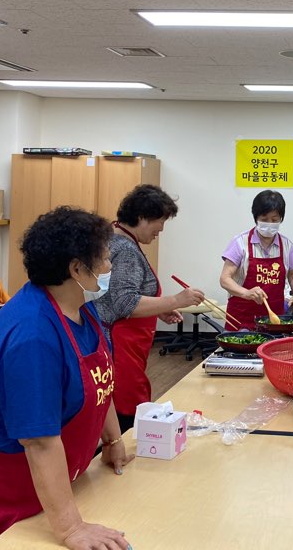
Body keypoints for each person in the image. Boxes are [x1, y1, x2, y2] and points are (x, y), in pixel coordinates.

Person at [0, 207, 133, 550]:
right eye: (105, 258)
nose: (110, 266)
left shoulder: (82, 308)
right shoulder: (32, 335)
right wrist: (71, 529)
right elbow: (38, 441)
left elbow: (100, 384)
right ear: (77, 268)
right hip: (7, 482)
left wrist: (112, 441)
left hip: (57, 480)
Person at [94, 185, 205, 433]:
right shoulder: (125, 249)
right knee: (125, 413)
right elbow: (125, 303)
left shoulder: (116, 239)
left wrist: (157, 308)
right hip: (120, 347)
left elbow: (119, 296)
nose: (161, 229)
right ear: (142, 217)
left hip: (122, 342)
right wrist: (176, 300)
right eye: (160, 221)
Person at [220, 190, 293, 330]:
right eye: (264, 219)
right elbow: (224, 279)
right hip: (241, 320)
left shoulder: (287, 245)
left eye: (274, 220)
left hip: (274, 322)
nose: (269, 224)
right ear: (256, 217)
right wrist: (246, 293)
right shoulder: (240, 243)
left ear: (281, 219)